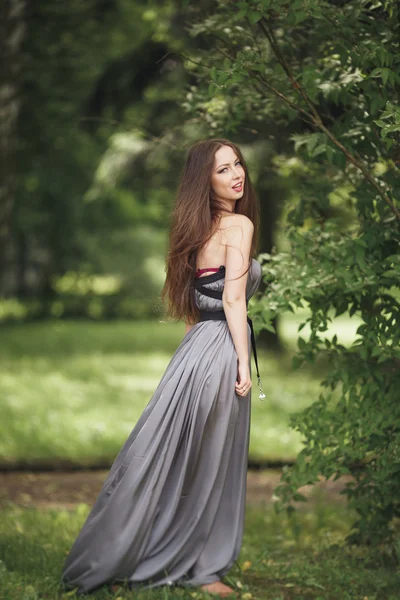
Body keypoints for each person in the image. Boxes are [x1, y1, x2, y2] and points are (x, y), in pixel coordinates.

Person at [60, 138, 264, 598]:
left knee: (172, 454)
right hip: (219, 351)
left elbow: (194, 302)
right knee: (210, 460)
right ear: (204, 181)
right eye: (223, 169)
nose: (237, 174)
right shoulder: (239, 226)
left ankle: (157, 552)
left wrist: (198, 354)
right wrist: (240, 362)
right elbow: (233, 300)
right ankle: (202, 567)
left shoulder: (192, 228)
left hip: (194, 351)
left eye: (238, 164)